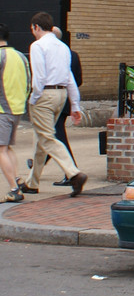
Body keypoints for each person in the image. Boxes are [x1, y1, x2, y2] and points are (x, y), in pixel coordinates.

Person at [21, 12, 87, 197]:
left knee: (47, 138)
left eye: (32, 29)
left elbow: (39, 77)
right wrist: (75, 105)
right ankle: (32, 182)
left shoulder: (37, 46)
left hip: (45, 95)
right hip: (62, 94)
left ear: (36, 27)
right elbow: (70, 78)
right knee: (42, 139)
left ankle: (73, 173)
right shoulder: (63, 47)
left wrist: (33, 99)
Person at [45, 26, 81, 187]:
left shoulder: (52, 53)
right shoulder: (72, 54)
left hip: (54, 98)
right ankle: (38, 164)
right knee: (50, 132)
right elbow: (78, 80)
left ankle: (71, 172)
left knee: (57, 134)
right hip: (67, 99)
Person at [0, 23, 31, 203]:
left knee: (1, 149)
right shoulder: (20, 56)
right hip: (18, 107)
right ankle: (17, 180)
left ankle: (14, 189)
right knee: (7, 147)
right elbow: (29, 82)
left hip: (2, 108)